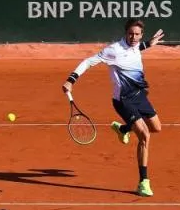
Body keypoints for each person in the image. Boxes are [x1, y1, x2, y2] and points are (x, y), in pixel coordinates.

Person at [62, 18, 165, 197]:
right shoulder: (113, 50)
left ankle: (123, 129)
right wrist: (71, 80)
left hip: (140, 95)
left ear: (141, 35)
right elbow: (88, 61)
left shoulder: (136, 45)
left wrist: (149, 44)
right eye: (131, 34)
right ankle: (143, 182)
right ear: (125, 33)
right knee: (144, 136)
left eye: (138, 35)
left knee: (156, 127)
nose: (134, 37)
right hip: (123, 101)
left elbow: (135, 50)